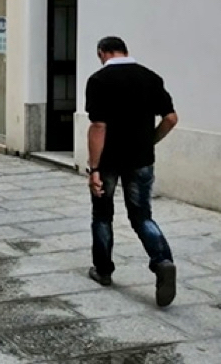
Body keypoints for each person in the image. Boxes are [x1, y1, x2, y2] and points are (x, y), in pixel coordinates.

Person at [85, 36, 179, 307]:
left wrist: (95, 169)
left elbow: (98, 127)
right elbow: (171, 119)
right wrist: (149, 140)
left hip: (110, 161)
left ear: (102, 53)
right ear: (125, 51)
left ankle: (103, 271)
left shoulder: (99, 81)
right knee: (142, 216)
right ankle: (162, 262)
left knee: (102, 215)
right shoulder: (150, 77)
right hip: (141, 160)